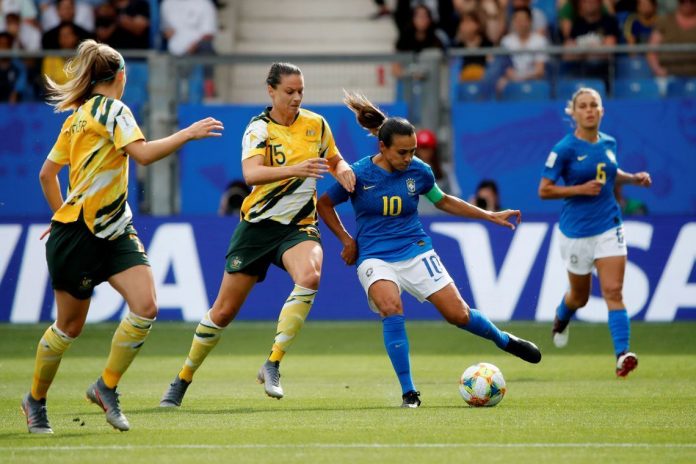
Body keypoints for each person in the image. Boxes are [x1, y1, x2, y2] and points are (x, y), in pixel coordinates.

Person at [21, 39, 223, 434]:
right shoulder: (115, 111)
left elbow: (47, 174)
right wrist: (188, 134)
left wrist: (60, 210)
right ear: (121, 76)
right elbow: (143, 154)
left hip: (113, 230)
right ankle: (35, 400)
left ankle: (106, 387)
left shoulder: (76, 117)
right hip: (79, 236)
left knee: (146, 305)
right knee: (69, 328)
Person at [316, 91, 541, 408]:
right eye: (402, 152)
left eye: (412, 151)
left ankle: (504, 340)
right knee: (390, 307)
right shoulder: (359, 173)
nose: (408, 158)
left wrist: (488, 215)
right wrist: (346, 239)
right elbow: (323, 204)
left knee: (458, 314)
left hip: (416, 250)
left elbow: (443, 201)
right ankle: (409, 392)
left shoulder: (419, 171)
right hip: (375, 256)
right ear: (382, 147)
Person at [159, 62, 356, 407]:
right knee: (222, 312)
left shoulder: (317, 125)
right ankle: (183, 378)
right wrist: (297, 169)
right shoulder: (257, 129)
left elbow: (334, 158)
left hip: (298, 226)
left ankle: (273, 362)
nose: (296, 98)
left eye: (300, 92)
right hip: (256, 227)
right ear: (271, 91)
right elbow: (251, 174)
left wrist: (344, 170)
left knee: (310, 276)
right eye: (289, 92)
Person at [538, 87, 651, 378]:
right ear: (573, 113)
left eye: (594, 105)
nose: (589, 110)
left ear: (601, 111)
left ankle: (622, 354)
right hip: (576, 233)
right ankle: (562, 317)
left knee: (613, 291)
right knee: (580, 298)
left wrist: (632, 178)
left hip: (609, 226)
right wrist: (579, 189)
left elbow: (608, 172)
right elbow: (544, 190)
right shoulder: (564, 149)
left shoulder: (609, 142)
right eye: (583, 106)